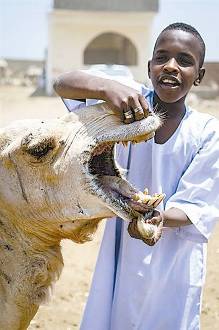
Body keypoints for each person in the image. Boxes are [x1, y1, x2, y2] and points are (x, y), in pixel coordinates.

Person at [54, 23, 219, 330]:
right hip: (121, 246)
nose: (171, 66)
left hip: (175, 258)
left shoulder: (207, 132)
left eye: (185, 60)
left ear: (199, 76)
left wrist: (155, 217)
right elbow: (64, 83)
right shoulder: (127, 104)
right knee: (115, 314)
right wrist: (106, 87)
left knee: (167, 317)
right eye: (162, 57)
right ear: (149, 66)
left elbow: (196, 205)